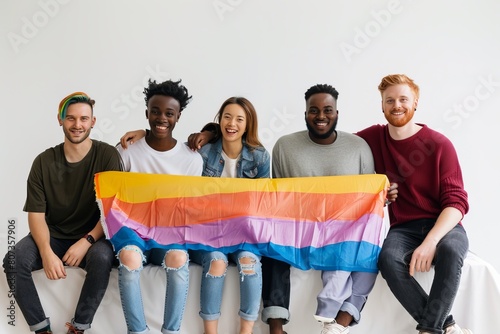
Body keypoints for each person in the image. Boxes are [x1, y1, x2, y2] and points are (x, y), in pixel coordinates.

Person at [172, 84, 397, 334]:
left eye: (327, 110)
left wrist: (383, 196)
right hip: (295, 226)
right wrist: (209, 131)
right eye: (314, 110)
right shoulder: (284, 147)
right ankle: (276, 326)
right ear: (304, 113)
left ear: (337, 113)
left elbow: (367, 197)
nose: (321, 116)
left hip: (342, 228)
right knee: (272, 247)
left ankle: (340, 321)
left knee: (370, 250)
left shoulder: (357, 147)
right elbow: (274, 202)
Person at [120, 96, 270, 334]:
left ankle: (246, 331)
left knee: (249, 263)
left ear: (248, 123)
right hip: (210, 233)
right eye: (227, 117)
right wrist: (143, 132)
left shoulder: (260, 156)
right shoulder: (203, 153)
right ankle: (209, 331)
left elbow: (263, 203)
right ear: (219, 120)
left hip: (243, 233)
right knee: (217, 262)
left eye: (239, 119)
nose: (232, 123)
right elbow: (172, 144)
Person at [356, 74, 472, 334]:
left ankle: (429, 330)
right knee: (387, 259)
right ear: (382, 106)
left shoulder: (439, 144)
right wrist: (377, 188)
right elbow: (338, 148)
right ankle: (447, 324)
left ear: (416, 103)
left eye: (403, 99)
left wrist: (431, 241)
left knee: (451, 252)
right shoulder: (373, 138)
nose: (396, 105)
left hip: (445, 225)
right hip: (403, 228)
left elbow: (457, 203)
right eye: (390, 100)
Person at [2, 92, 123, 334]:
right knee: (13, 261)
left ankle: (77, 327)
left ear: (93, 121)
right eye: (70, 118)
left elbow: (112, 210)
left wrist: (87, 241)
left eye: (83, 119)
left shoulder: (108, 155)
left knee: (101, 259)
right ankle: (41, 329)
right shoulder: (44, 161)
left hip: (94, 235)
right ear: (60, 120)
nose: (77, 125)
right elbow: (36, 214)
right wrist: (46, 252)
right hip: (52, 234)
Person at [115, 79, 203, 334]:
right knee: (130, 258)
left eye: (168, 113)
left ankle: (171, 331)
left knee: (178, 257)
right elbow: (115, 195)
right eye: (155, 111)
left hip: (168, 233)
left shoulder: (191, 159)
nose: (161, 118)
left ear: (178, 117)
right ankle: (138, 331)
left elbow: (189, 207)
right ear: (146, 114)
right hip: (133, 230)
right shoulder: (128, 151)